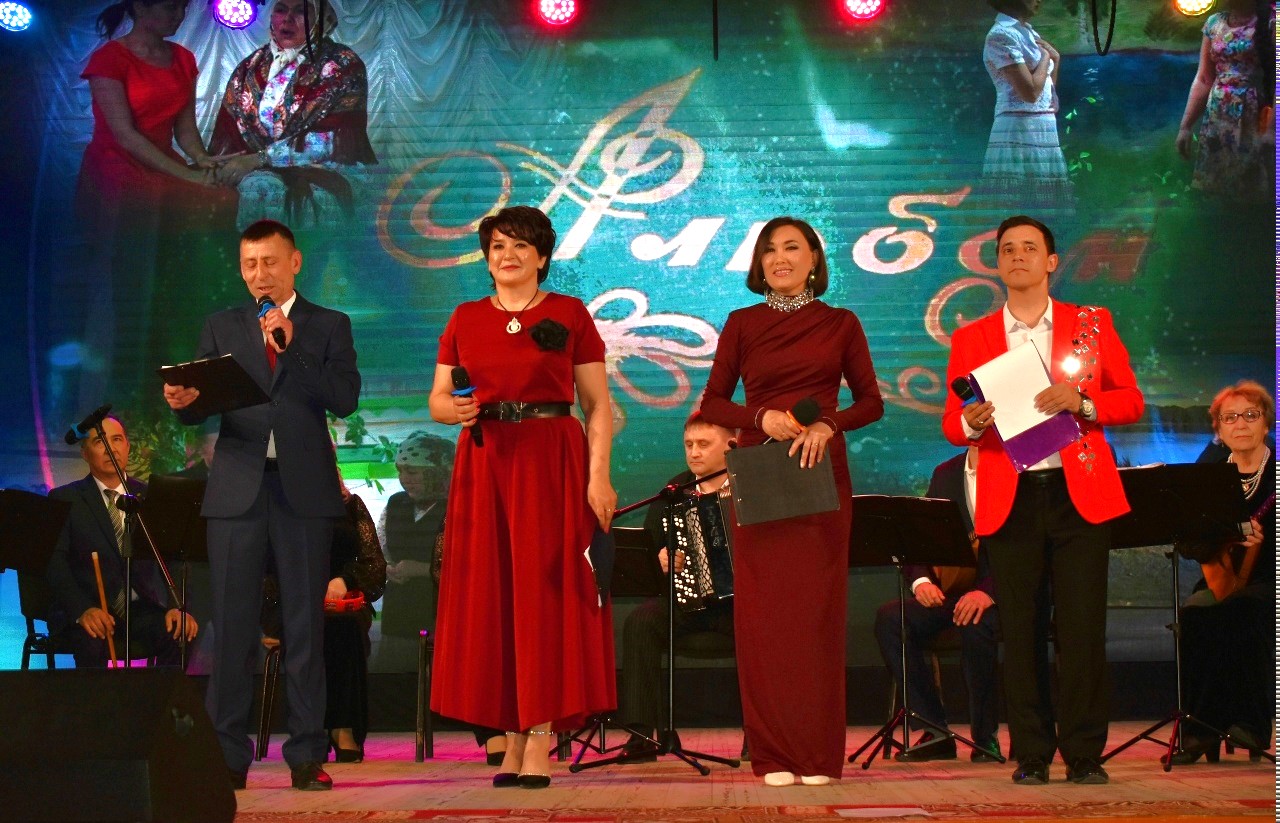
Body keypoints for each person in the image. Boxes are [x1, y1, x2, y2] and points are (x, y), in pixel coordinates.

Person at [943, 215, 1144, 785]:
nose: (1018, 256)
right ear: (997, 263)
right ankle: (1031, 752)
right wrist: (973, 420)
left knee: (1082, 629)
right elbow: (953, 424)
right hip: (1011, 495)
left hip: (1080, 493)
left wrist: (1082, 403)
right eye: (1008, 248)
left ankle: (1084, 753)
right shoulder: (972, 337)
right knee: (1021, 630)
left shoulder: (1090, 323)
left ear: (1051, 262)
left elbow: (1131, 400)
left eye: (1030, 247)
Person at [163, 219, 360, 792]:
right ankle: (227, 754)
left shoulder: (328, 324)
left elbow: (344, 399)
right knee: (231, 627)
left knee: (305, 627)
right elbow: (200, 405)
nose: (259, 275)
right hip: (237, 490)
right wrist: (183, 401)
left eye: (269, 262)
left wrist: (293, 347)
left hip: (303, 492)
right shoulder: (221, 325)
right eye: (249, 265)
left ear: (294, 263)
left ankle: (306, 753)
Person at [428, 205, 617, 790]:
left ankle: (539, 734)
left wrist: (598, 476)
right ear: (486, 260)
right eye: (497, 247)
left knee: (543, 596)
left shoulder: (569, 312)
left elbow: (598, 405)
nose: (507, 255)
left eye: (519, 246)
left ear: (541, 256)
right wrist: (454, 409)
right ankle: (510, 734)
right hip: (485, 464)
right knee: (494, 597)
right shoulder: (465, 317)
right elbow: (437, 400)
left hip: (550, 461)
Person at [700, 216, 885, 787]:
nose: (779, 258)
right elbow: (713, 402)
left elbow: (871, 402)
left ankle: (817, 755)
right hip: (760, 475)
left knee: (816, 617)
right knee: (765, 619)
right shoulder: (742, 323)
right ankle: (773, 754)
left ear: (813, 260)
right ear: (759, 264)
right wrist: (761, 417)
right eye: (769, 250)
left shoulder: (840, 323)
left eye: (791, 248)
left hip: (820, 476)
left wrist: (829, 424)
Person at [73, 0, 228, 411]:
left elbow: (185, 129)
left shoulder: (183, 58)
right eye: (170, 8)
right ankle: (122, 394)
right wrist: (187, 176)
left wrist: (203, 160)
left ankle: (172, 381)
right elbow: (125, 136)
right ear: (140, 7)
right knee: (127, 287)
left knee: (172, 280)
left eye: (183, 9)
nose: (179, 17)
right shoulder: (110, 58)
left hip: (162, 171)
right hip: (117, 176)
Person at [619, 413, 740, 759]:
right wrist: (662, 558)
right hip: (687, 602)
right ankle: (641, 735)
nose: (694, 452)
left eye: (704, 444)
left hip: (740, 606)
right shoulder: (674, 491)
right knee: (641, 622)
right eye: (689, 444)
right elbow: (650, 547)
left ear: (731, 446)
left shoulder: (750, 485)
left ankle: (762, 734)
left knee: (767, 626)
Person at [873, 447, 1002, 763]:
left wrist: (988, 593)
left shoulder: (1016, 469)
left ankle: (985, 737)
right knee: (891, 619)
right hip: (951, 590)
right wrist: (922, 581)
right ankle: (934, 730)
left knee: (976, 624)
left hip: (1000, 595)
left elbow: (1029, 550)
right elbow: (920, 537)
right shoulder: (946, 474)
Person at [1170, 380, 1274, 763]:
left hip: (1270, 581)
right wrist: (1226, 536)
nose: (1240, 424)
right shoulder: (1209, 474)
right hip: (1222, 579)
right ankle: (1201, 731)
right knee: (1194, 615)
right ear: (1219, 429)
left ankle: (1251, 724)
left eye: (1251, 415)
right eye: (1230, 418)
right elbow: (1187, 543)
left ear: (1266, 423)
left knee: (1246, 609)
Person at [45, 416, 198, 668]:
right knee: (93, 637)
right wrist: (82, 610)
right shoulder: (65, 498)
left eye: (117, 439)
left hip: (139, 610)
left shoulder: (150, 497)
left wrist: (177, 607)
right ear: (84, 453)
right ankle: (96, 697)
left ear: (127, 446)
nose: (111, 448)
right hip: (88, 608)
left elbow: (172, 559)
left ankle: (159, 695)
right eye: (100, 441)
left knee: (179, 632)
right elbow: (55, 562)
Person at [210, 0, 377, 228]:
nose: (287, 19)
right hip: (256, 167)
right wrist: (223, 166)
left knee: (280, 194)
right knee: (244, 188)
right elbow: (228, 131)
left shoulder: (343, 64)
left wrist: (260, 158)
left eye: (302, 11)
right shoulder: (250, 66)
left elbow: (335, 140)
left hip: (325, 166)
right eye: (281, 10)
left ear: (321, 20)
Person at [262, 466, 387, 763]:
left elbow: (374, 563)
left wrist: (345, 580)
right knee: (310, 625)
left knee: (343, 625)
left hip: (343, 600)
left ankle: (342, 727)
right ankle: (312, 729)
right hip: (292, 599)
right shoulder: (279, 505)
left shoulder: (351, 506)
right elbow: (267, 567)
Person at [1175, 0, 1275, 199]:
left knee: (1252, 191)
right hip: (1218, 116)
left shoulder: (1272, 23)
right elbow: (1204, 78)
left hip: (1255, 115)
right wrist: (1185, 127)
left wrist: (1272, 130)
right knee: (1217, 191)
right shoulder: (1214, 23)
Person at [372, 431, 451, 673]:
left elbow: (475, 566)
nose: (404, 479)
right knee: (396, 683)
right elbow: (380, 547)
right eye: (400, 471)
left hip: (442, 618)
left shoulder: (458, 505)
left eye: (412, 472)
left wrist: (422, 570)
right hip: (399, 618)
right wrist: (387, 567)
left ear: (436, 472)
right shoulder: (397, 503)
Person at [980, 0, 1071, 209]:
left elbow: (1045, 92)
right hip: (1018, 130)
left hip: (1043, 128)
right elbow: (1030, 92)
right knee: (1018, 202)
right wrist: (1046, 57)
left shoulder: (1028, 32)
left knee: (1046, 205)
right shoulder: (1000, 35)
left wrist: (1055, 60)